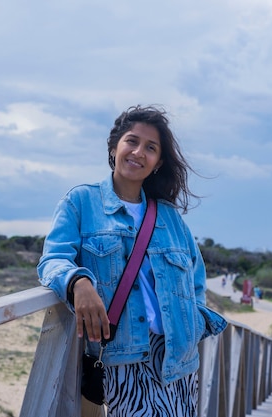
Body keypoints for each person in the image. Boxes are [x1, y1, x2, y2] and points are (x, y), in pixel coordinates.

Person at [37, 105, 227, 417]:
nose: (139, 152)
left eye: (150, 148)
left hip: (176, 361)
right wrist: (78, 282)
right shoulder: (81, 202)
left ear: (158, 163)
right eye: (132, 141)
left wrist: (193, 326)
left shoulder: (171, 219)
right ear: (114, 147)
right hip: (121, 357)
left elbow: (196, 283)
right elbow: (53, 259)